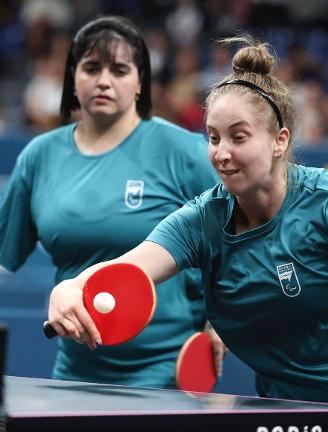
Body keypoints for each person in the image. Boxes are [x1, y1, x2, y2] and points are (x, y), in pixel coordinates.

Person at [46, 36, 328, 432]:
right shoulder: (202, 220)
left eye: (238, 138)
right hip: (290, 411)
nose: (221, 153)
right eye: (213, 137)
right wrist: (69, 288)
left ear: (280, 141)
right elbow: (129, 269)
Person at [0, 16, 223, 388]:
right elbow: (7, 253)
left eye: (120, 69)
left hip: (167, 373)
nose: (104, 80)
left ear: (140, 83)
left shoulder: (184, 152)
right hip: (73, 374)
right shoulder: (38, 157)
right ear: (72, 78)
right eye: (91, 68)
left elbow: (240, 240)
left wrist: (221, 322)